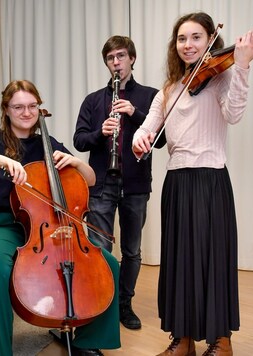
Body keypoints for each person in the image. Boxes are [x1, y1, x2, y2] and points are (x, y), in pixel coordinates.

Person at [132, 12, 253, 356]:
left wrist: (244, 66)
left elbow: (234, 114)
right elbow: (148, 126)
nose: (188, 45)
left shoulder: (221, 77)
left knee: (211, 259)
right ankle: (183, 338)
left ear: (210, 41)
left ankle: (221, 340)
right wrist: (139, 139)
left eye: (196, 37)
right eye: (181, 39)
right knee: (178, 262)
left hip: (210, 179)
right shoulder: (170, 89)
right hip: (177, 181)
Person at [0, 80, 121, 356]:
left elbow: (91, 180)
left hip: (48, 227)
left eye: (32, 106)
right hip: (2, 224)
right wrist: (1, 160)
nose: (26, 112)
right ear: (7, 110)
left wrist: (77, 163)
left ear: (39, 107)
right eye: (19, 107)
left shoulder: (48, 143)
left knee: (108, 264)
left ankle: (87, 340)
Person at [73, 35, 164, 330]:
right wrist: (100, 132)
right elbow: (79, 140)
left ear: (132, 59)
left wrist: (135, 115)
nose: (116, 62)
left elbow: (161, 140)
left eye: (121, 56)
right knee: (99, 248)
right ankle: (102, 303)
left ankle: (125, 304)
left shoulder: (150, 97)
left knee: (132, 251)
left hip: (136, 184)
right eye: (111, 58)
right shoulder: (93, 100)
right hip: (101, 185)